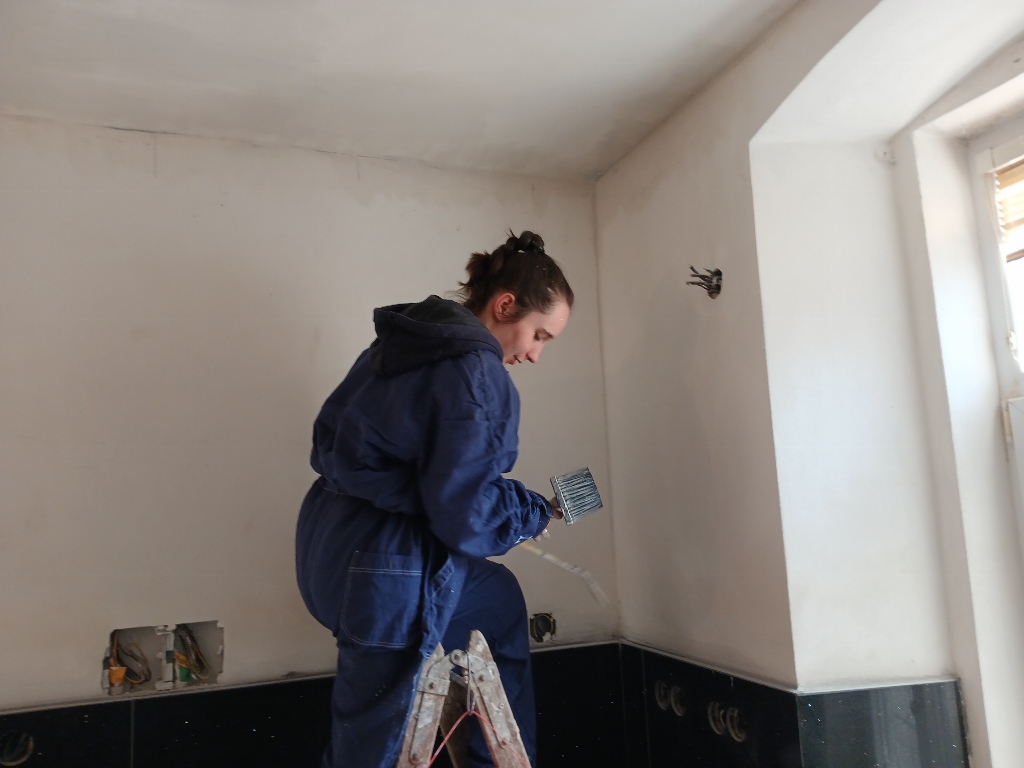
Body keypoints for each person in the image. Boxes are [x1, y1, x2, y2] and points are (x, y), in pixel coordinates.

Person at [295, 231, 574, 768]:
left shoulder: (399, 347)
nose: (535, 354)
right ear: (505, 305)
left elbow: (418, 472)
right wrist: (524, 516)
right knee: (370, 752)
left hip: (324, 552)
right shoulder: (478, 372)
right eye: (539, 335)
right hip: (384, 575)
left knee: (498, 597)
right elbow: (465, 515)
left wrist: (516, 502)